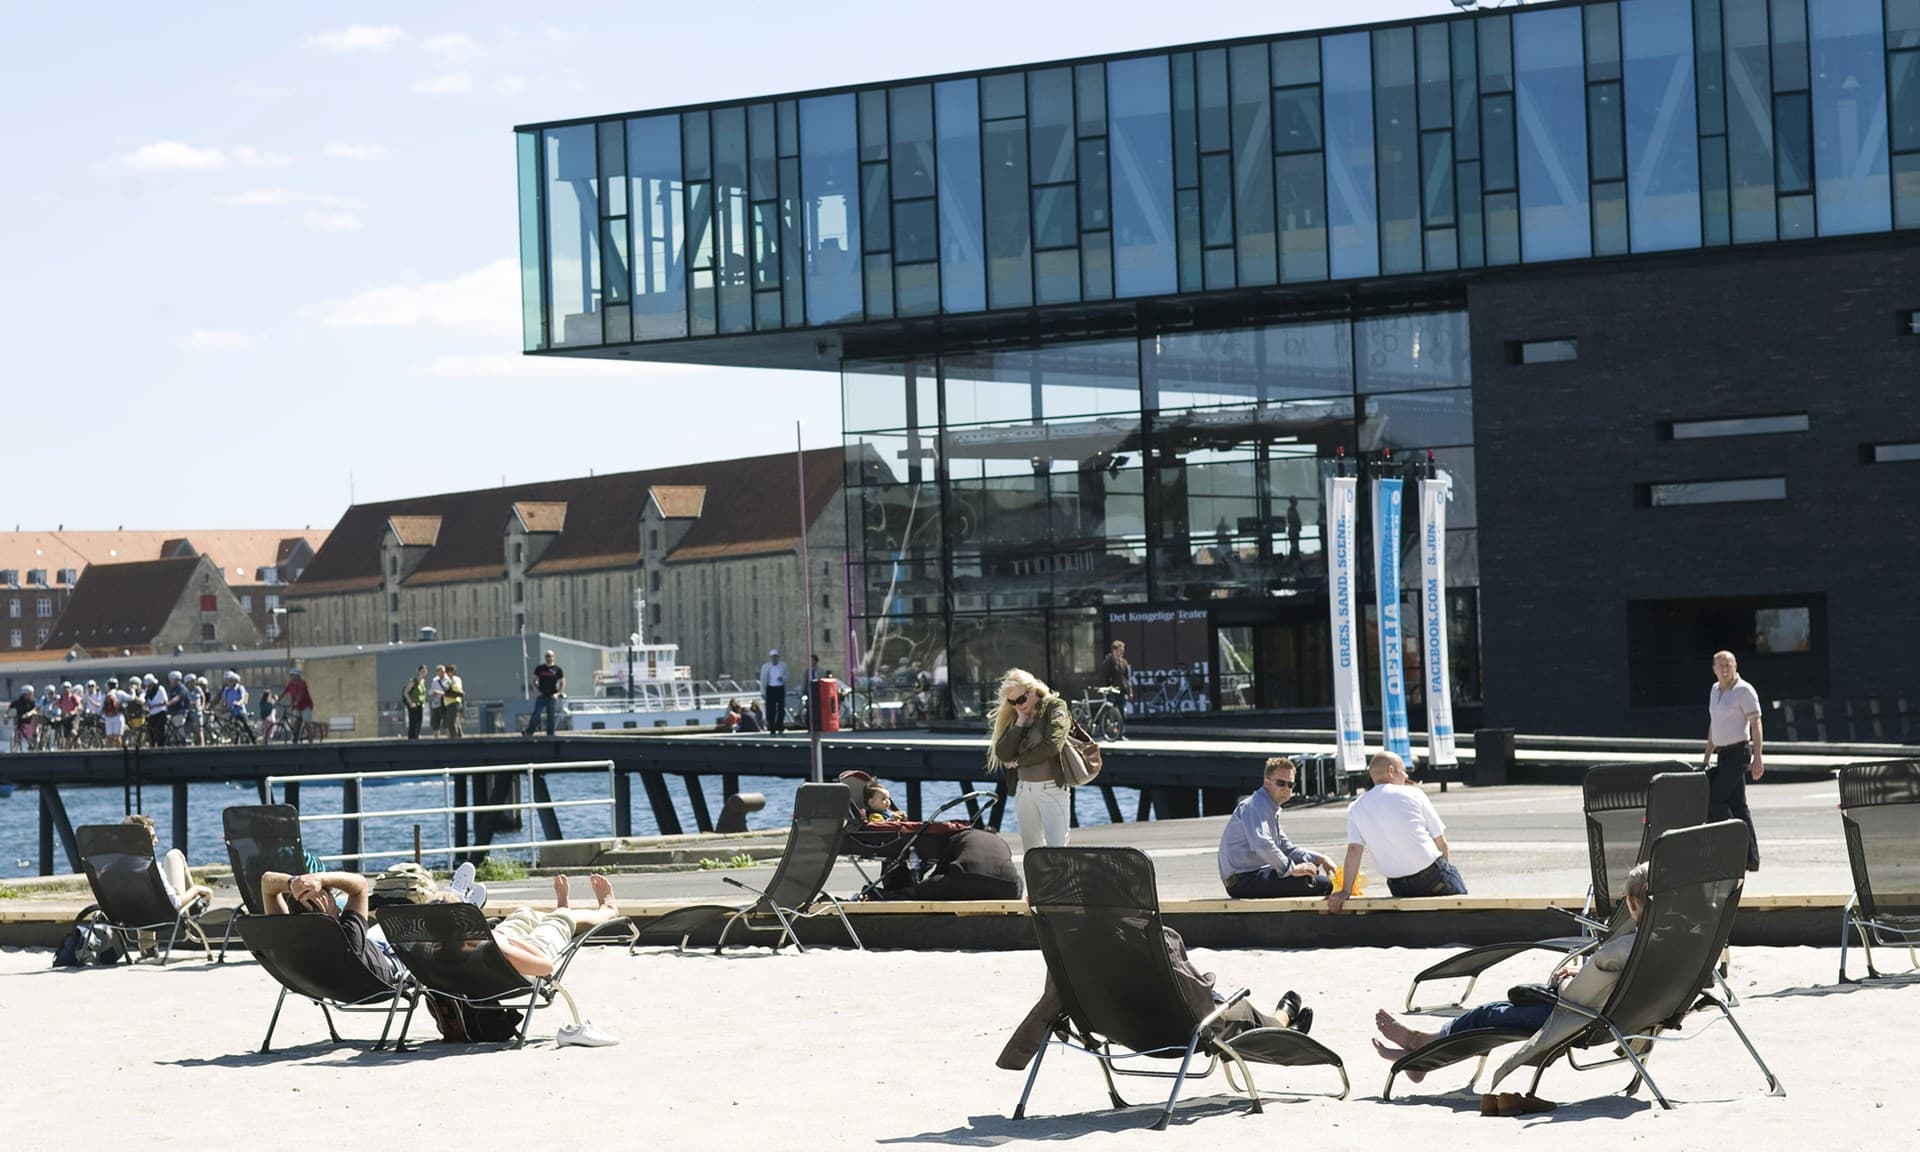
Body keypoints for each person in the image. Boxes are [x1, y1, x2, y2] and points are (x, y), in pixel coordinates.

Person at [1371, 860, 1652, 1105]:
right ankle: (1421, 1053)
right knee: (1504, 1006)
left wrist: (1563, 981)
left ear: (1630, 903)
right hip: (1623, 1017)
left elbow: (1574, 998)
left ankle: (1418, 1047)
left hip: (1581, 1021)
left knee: (1488, 1014)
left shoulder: (1621, 950)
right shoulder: (1674, 945)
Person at [999, 923, 1314, 1070]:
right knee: (1241, 1009)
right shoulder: (1157, 940)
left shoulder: (1068, 947)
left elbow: (1052, 1000)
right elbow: (1198, 1004)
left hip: (1113, 1028)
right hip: (1176, 1033)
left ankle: (1282, 1021)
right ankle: (1284, 1026)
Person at [1327, 750, 1466, 911]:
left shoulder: (1356, 807)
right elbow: (1442, 844)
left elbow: (1353, 851)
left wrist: (1345, 891)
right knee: (1461, 903)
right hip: (1431, 875)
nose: (1406, 776)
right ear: (1391, 771)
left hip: (1398, 884)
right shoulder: (1414, 793)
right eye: (1403, 770)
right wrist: (1444, 874)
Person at [1219, 757, 1337, 898]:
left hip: (1254, 874)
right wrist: (1293, 869)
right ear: (1267, 782)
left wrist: (1320, 859)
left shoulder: (1269, 808)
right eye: (1281, 783)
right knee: (1322, 884)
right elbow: (1262, 845)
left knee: (1311, 870)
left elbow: (1285, 848)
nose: (1286, 788)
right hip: (1242, 880)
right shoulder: (1254, 807)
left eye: (1290, 784)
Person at [259, 868, 400, 984]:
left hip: (332, 979)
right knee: (403, 926)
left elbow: (267, 881)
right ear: (324, 914)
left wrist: (293, 883)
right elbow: (360, 885)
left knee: (380, 931)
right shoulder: (349, 937)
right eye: (335, 909)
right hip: (387, 963)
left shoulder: (287, 941)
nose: (340, 911)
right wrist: (320, 879)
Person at [987, 668, 1074, 852]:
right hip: (1023, 790)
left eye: (1021, 699)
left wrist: (1019, 762)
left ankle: (1057, 883)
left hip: (1051, 788)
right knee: (1031, 852)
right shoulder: (1017, 714)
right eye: (1012, 702)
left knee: (1058, 851)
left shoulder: (1055, 706)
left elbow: (1052, 745)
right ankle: (1034, 883)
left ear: (1032, 690)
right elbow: (1002, 754)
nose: (1018, 705)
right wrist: (1019, 724)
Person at [1702, 650, 1764, 872]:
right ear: (1714, 669)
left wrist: (1758, 757)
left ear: (1736, 665)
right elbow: (1714, 725)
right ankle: (1751, 858)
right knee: (1738, 805)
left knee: (1715, 800)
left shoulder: (1744, 690)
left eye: (1728, 664)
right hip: (1723, 754)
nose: (1725, 668)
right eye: (1720, 665)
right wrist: (1707, 756)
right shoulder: (1714, 690)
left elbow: (1756, 724)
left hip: (1738, 753)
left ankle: (1732, 849)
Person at [123, 813, 213, 911]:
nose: (156, 840)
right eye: (152, 837)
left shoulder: (109, 871)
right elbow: (176, 904)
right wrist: (196, 889)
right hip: (166, 921)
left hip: (128, 922)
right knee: (174, 855)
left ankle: (196, 905)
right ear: (141, 842)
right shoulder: (151, 869)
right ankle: (196, 905)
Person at [1096, 640, 1134, 736]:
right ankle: (1107, 731)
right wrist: (1105, 689)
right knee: (1110, 712)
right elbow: (1103, 677)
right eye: (1119, 650)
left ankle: (1120, 734)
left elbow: (1127, 678)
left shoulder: (1123, 662)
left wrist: (1130, 691)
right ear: (1114, 650)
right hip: (1111, 691)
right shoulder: (1108, 663)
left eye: (1122, 650)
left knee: (1121, 713)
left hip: (1121, 691)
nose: (1121, 653)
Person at [526, 650, 565, 737]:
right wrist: (538, 690)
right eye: (547, 656)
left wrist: (557, 694)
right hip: (542, 696)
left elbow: (562, 683)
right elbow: (534, 680)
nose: (549, 658)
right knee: (536, 713)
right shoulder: (540, 668)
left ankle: (550, 734)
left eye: (550, 656)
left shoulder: (557, 669)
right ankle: (529, 732)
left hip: (552, 696)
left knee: (551, 715)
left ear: (553, 657)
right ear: (545, 658)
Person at [759, 648, 788, 735]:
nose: (774, 659)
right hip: (770, 689)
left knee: (781, 709)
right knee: (770, 709)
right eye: (773, 657)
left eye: (776, 657)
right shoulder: (766, 667)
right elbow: (763, 679)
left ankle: (780, 726)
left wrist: (782, 678)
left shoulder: (783, 665)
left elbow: (787, 675)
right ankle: (771, 727)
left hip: (780, 688)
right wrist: (762, 692)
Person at [282, 668, 315, 743]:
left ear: (296, 676)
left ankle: (310, 741)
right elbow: (284, 692)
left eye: (292, 675)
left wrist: (296, 701)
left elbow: (300, 694)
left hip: (306, 706)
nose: (290, 677)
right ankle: (295, 739)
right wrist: (277, 699)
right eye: (290, 675)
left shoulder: (302, 683)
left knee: (306, 722)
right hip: (298, 707)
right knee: (297, 722)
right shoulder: (291, 684)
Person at [220, 671, 252, 741]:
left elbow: (243, 698)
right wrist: (222, 708)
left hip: (240, 711)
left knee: (247, 726)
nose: (228, 682)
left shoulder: (240, 688)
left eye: (230, 680)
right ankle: (235, 742)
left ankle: (253, 739)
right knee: (233, 728)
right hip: (231, 712)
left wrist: (238, 703)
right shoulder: (226, 690)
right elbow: (223, 700)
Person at [402, 665, 428, 740]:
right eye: (422, 671)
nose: (424, 673)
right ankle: (412, 738)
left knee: (419, 721)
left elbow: (422, 693)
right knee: (413, 721)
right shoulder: (414, 681)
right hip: (413, 704)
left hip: (420, 704)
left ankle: (417, 736)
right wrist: (411, 702)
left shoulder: (423, 681)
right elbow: (406, 692)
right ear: (418, 672)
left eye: (425, 671)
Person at [8, 687, 36, 752]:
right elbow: (10, 708)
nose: (32, 695)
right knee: (17, 737)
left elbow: (35, 710)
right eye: (30, 694)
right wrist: (6, 714)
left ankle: (32, 746)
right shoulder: (17, 702)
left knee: (31, 738)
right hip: (20, 723)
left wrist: (29, 714)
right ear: (25, 694)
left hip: (30, 723)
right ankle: (15, 751)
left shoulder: (32, 702)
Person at [101, 677, 126, 748]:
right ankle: (119, 753)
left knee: (109, 737)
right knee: (118, 736)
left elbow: (101, 708)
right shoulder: (120, 693)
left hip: (108, 717)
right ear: (116, 685)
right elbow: (131, 698)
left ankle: (107, 754)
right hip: (118, 716)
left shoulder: (105, 695)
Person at [442, 664, 466, 738]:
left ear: (451, 672)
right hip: (450, 703)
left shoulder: (454, 679)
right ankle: (460, 737)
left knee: (452, 723)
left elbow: (457, 691)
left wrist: (446, 691)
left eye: (446, 672)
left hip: (454, 702)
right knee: (456, 722)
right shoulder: (448, 680)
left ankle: (454, 740)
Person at [428, 663, 449, 737]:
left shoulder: (448, 680)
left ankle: (449, 742)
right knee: (435, 725)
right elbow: (430, 691)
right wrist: (432, 693)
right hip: (436, 704)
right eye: (439, 671)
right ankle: (436, 740)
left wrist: (439, 693)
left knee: (447, 725)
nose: (441, 673)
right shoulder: (435, 680)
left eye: (442, 671)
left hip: (445, 705)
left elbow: (449, 693)